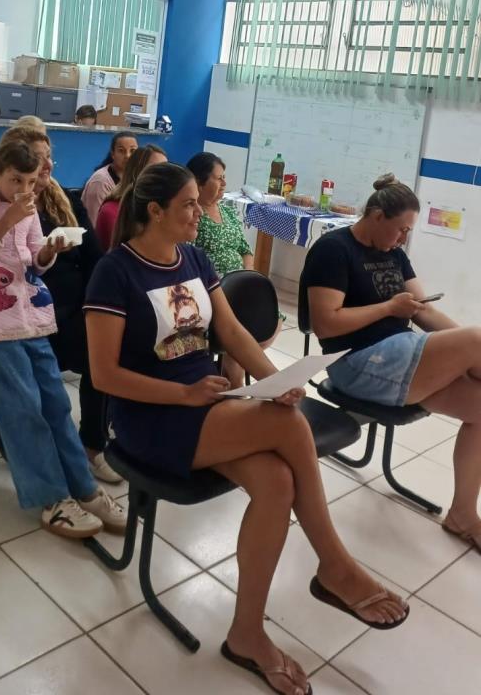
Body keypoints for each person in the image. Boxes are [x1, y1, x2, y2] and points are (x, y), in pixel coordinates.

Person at [85, 163, 408, 695]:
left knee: (277, 482)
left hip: (206, 401)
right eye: (189, 204)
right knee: (289, 426)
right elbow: (104, 375)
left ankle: (246, 634)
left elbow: (232, 331)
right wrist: (184, 394)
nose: (201, 211)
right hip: (150, 416)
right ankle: (335, 566)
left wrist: (274, 380)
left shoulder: (193, 257)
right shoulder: (115, 272)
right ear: (155, 212)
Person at [0, 125, 117, 512]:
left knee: (76, 381)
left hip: (46, 315)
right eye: (33, 159)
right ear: (2, 167)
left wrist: (55, 257)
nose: (44, 165)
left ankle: (88, 452)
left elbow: (83, 260)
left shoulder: (63, 201)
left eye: (47, 158)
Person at [302, 172, 481, 554]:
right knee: (476, 340)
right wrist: (388, 307)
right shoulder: (333, 249)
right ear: (377, 215)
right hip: (354, 363)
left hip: (401, 355)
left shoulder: (395, 255)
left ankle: (463, 515)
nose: (403, 240)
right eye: (401, 230)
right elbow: (326, 323)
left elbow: (424, 312)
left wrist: (467, 355)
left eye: (408, 233)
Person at [188, 151, 283, 388]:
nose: (224, 183)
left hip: (240, 286)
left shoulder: (228, 212)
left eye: (224, 178)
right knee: (240, 321)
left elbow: (245, 249)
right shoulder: (192, 216)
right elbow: (188, 258)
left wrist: (247, 276)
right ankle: (236, 374)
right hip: (213, 289)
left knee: (274, 318)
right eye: (218, 178)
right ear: (199, 182)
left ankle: (234, 361)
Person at [96, 144, 166, 250]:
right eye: (156, 170)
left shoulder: (164, 208)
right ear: (136, 172)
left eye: (167, 170)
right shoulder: (111, 211)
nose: (165, 176)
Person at [81, 131, 138, 224]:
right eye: (121, 151)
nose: (128, 156)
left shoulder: (137, 177)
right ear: (113, 154)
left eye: (133, 151)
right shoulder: (100, 182)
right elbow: (94, 224)